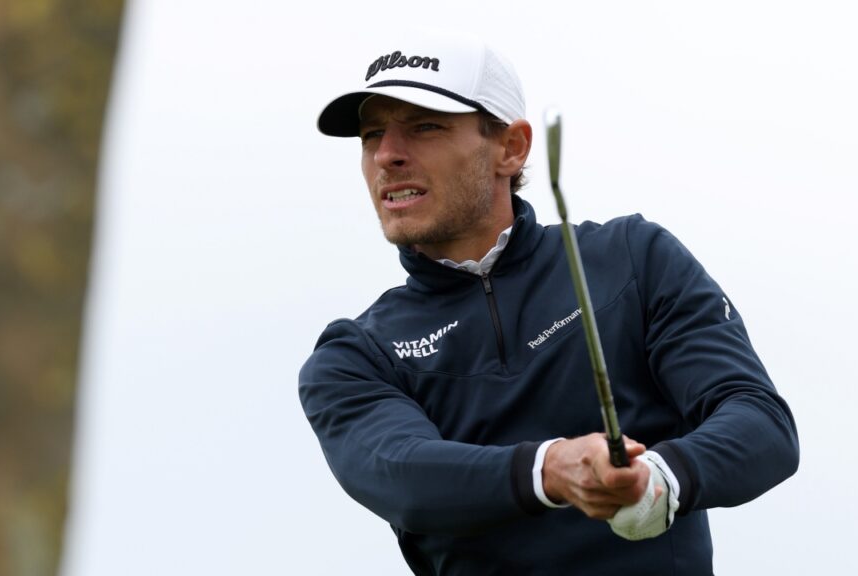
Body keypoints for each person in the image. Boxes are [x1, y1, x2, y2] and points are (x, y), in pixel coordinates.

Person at [299, 30, 798, 575]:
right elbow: (405, 476)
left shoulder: (632, 258)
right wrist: (551, 469)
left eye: (425, 127)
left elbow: (760, 424)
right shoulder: (356, 354)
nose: (387, 155)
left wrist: (662, 477)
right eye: (372, 135)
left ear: (511, 148)